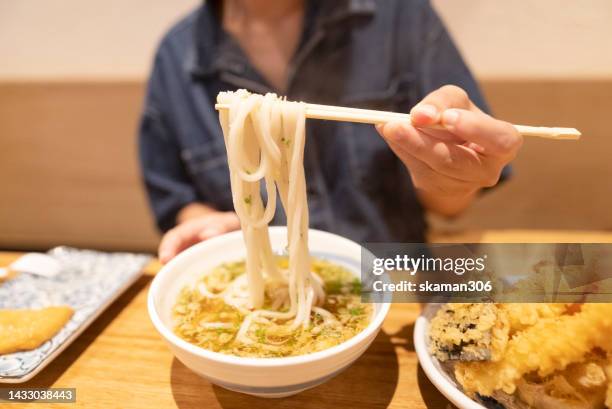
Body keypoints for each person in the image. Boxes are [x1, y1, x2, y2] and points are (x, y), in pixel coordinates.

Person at [138, 0, 522, 264]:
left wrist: (454, 180)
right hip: (261, 298)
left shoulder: (399, 16)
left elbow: (451, 207)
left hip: (395, 284)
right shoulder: (176, 56)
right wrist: (207, 224)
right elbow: (177, 199)